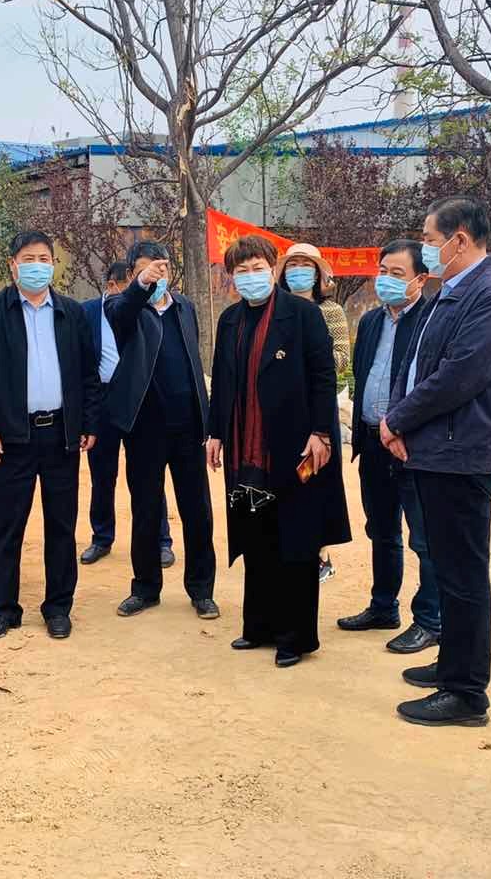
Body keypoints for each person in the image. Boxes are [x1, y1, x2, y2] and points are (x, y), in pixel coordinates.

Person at [381, 196, 491, 727]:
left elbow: (459, 375)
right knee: (445, 566)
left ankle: (466, 693)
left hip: (462, 453)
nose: (426, 247)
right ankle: (452, 665)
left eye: (429, 238)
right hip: (435, 448)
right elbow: (415, 364)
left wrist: (398, 420)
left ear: (458, 239)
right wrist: (399, 419)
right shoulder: (451, 292)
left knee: (464, 574)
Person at [207, 235, 350, 668]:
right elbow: (222, 380)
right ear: (231, 277)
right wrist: (215, 433)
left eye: (258, 268)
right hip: (244, 447)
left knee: (296, 540)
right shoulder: (231, 319)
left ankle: (295, 637)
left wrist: (322, 433)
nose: (250, 276)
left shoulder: (303, 315)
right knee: (257, 536)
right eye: (241, 270)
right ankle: (259, 626)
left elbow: (323, 376)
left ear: (273, 269)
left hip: (293, 444)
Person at [0, 231, 100, 641]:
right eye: (28, 258)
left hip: (61, 436)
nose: (37, 266)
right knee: (6, 527)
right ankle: (3, 609)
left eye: (44, 258)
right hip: (10, 439)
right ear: (13, 265)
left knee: (61, 525)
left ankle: (58, 607)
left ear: (53, 264)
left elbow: (88, 375)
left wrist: (88, 423)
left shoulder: (71, 312)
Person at [106, 241, 218, 621]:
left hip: (187, 427)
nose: (156, 274)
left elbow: (193, 359)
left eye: (161, 267)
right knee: (146, 510)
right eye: (145, 268)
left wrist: (206, 420)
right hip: (144, 428)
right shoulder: (124, 308)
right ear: (132, 274)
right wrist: (141, 286)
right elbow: (121, 312)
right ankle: (145, 588)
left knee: (197, 512)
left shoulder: (184, 307)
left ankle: (201, 590)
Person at [336, 239, 439, 655]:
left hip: (411, 446)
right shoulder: (371, 322)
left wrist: (404, 428)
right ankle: (383, 606)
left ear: (420, 279)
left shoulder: (432, 321)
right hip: (372, 441)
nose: (386, 280)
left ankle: (429, 620)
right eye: (383, 272)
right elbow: (363, 374)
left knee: (424, 538)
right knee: (381, 531)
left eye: (397, 274)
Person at [80, 262, 174, 567]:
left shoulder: (147, 310)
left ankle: (161, 539)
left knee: (148, 474)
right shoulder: (87, 313)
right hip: (102, 400)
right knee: (102, 475)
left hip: (141, 399)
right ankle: (101, 537)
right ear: (112, 286)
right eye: (132, 285)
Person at [279, 243, 349, 582]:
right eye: (292, 265)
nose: (298, 271)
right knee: (286, 479)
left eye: (305, 265)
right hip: (282, 411)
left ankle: (320, 554)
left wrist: (301, 360)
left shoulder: (330, 311)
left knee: (315, 478)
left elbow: (341, 359)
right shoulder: (275, 310)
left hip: (317, 410)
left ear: (318, 273)